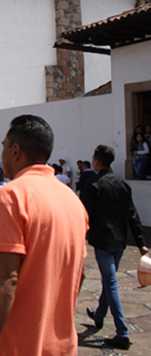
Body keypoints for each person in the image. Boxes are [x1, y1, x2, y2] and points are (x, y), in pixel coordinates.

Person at [0, 115, 88, 356]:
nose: (2, 155)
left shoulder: (11, 196)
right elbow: (80, 272)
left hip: (19, 344)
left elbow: (6, 278)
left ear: (15, 151)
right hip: (63, 343)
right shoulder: (72, 200)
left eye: (4, 147)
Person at [81, 145, 149, 350]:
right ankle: (100, 315)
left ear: (97, 161)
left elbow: (84, 213)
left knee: (111, 284)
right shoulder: (122, 184)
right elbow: (133, 214)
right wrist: (140, 242)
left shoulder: (94, 184)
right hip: (119, 241)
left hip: (103, 241)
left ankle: (122, 332)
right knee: (109, 280)